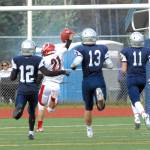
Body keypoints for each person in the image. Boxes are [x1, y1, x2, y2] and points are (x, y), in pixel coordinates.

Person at [10, 39, 69, 140]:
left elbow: (12, 78)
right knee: (32, 112)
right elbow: (47, 73)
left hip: (22, 89)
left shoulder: (16, 59)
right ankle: (31, 133)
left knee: (17, 113)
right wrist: (61, 72)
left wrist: (15, 70)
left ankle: (20, 107)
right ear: (32, 49)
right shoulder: (38, 59)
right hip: (33, 89)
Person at [70, 28, 113, 138]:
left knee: (88, 107)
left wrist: (73, 65)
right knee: (101, 108)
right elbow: (110, 65)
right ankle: (99, 97)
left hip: (87, 81)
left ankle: (89, 129)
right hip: (99, 79)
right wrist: (99, 65)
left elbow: (78, 60)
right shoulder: (102, 48)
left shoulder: (80, 48)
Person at [36, 29, 74, 132]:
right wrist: (70, 37)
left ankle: (40, 127)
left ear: (45, 51)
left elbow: (47, 73)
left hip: (47, 84)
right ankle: (53, 101)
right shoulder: (59, 53)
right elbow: (67, 45)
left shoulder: (43, 60)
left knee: (41, 106)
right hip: (57, 85)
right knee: (51, 110)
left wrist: (36, 83)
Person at [120, 31, 150, 130]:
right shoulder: (147, 50)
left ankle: (144, 115)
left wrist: (123, 73)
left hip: (132, 78)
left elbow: (124, 70)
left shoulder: (126, 51)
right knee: (134, 98)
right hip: (142, 79)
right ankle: (136, 118)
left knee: (135, 100)